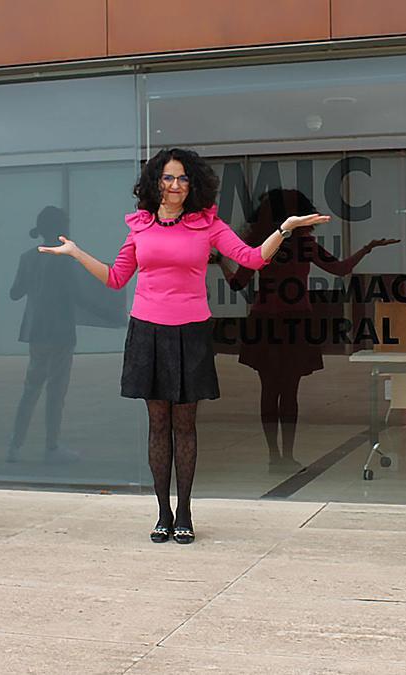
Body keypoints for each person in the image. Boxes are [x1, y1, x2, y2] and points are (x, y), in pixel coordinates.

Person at [38, 149, 328, 544]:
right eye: (168, 178)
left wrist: (285, 228)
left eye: (183, 179)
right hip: (148, 331)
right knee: (158, 424)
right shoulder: (139, 226)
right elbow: (116, 278)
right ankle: (162, 513)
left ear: (194, 184)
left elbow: (253, 259)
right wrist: (75, 253)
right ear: (156, 181)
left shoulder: (207, 224)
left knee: (185, 425)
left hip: (190, 331)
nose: (175, 186)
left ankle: (186, 512)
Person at [222, 188, 397, 470]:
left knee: (269, 389)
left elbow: (237, 284)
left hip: (266, 320)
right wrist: (366, 249)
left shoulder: (262, 243)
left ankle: (273, 456)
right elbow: (340, 270)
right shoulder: (305, 244)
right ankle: (286, 456)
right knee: (289, 391)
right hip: (297, 320)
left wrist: (220, 263)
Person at [7, 205, 123, 463]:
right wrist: (109, 315)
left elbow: (14, 293)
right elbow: (77, 296)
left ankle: (15, 444)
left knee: (31, 388)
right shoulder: (64, 259)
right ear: (60, 229)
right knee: (55, 391)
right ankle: (51, 446)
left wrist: (32, 281)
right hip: (59, 331)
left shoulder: (28, 257)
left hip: (36, 330)